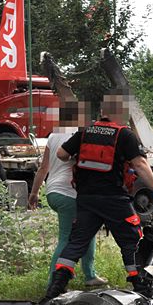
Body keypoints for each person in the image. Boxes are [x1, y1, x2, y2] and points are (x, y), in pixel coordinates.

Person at [43, 88, 153, 300]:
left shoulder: (85, 132)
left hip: (86, 199)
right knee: (132, 241)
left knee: (76, 242)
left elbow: (62, 154)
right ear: (121, 112)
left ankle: (55, 288)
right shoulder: (124, 134)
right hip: (115, 200)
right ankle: (141, 287)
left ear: (102, 111)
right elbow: (140, 164)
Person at [29, 99, 107, 288]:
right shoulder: (80, 135)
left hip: (53, 192)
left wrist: (34, 192)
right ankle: (53, 282)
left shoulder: (53, 136)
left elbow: (43, 168)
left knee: (87, 231)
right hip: (69, 194)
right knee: (67, 238)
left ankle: (90, 275)